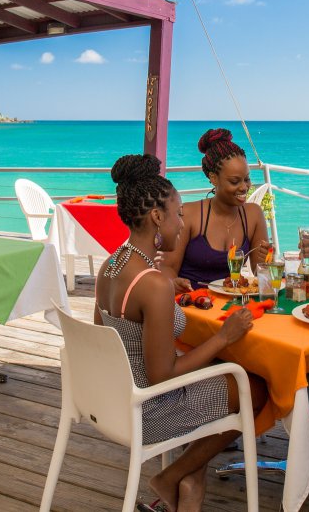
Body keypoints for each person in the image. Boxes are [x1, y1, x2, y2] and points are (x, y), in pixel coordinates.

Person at [95, 153, 267, 512]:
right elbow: (162, 375)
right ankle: (172, 476)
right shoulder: (152, 284)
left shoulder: (111, 265)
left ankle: (190, 479)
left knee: (224, 372)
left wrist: (165, 299)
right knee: (257, 388)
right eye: (178, 214)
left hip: (114, 400)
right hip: (151, 410)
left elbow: (107, 341)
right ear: (157, 217)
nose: (181, 222)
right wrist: (224, 336)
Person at [160, 129, 270, 291]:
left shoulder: (253, 214)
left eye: (246, 179)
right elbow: (167, 268)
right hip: (192, 303)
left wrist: (265, 261)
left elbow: (259, 273)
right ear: (213, 178)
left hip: (230, 305)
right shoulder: (190, 214)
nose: (244, 187)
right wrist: (173, 283)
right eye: (234, 181)